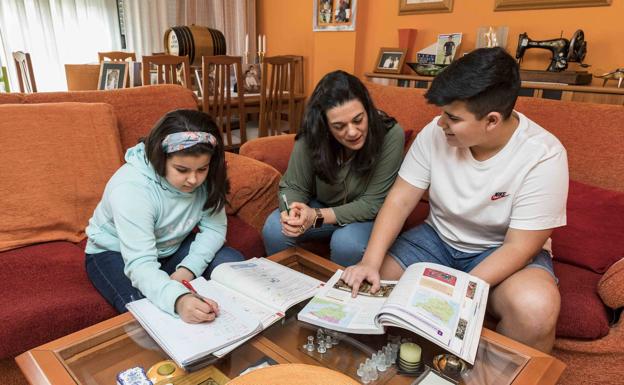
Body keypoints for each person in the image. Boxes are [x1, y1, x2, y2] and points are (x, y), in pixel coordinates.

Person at [342, 47, 568, 353]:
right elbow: (400, 200)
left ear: (491, 120)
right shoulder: (434, 135)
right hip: (436, 239)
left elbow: (519, 247)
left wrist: (456, 290)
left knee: (535, 310)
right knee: (365, 289)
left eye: (452, 117)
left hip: (500, 250)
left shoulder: (544, 155)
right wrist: (370, 261)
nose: (440, 124)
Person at [85, 110, 245, 324]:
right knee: (149, 315)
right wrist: (178, 299)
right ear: (160, 157)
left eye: (202, 169)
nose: (193, 180)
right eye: (181, 169)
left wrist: (188, 270)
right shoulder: (131, 188)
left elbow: (215, 229)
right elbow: (141, 263)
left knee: (233, 268)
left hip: (171, 246)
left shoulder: (207, 177)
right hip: (115, 252)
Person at [262, 70, 405, 266]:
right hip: (323, 217)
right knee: (274, 227)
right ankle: (286, 291)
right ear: (325, 126)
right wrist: (293, 213)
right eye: (339, 126)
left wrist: (316, 216)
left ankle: (337, 296)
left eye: (358, 119)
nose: (353, 132)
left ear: (368, 109)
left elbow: (373, 204)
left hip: (365, 219)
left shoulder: (390, 135)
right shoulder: (312, 135)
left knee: (347, 242)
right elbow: (294, 186)